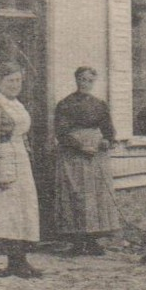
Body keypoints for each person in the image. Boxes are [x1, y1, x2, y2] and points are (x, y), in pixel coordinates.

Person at [0, 63, 42, 278]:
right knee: (9, 211)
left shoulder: (17, 105)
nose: (15, 85)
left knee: (24, 209)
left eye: (18, 81)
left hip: (20, 158)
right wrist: (2, 171)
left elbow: (22, 133)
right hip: (4, 160)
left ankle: (21, 259)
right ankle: (14, 261)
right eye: (10, 81)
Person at [53, 66, 121, 255]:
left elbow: (108, 129)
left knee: (95, 195)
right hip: (73, 155)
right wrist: (80, 146)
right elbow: (61, 132)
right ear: (76, 80)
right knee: (76, 194)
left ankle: (93, 241)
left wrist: (107, 141)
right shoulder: (65, 104)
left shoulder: (100, 104)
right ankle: (76, 240)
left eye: (90, 80)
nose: (86, 83)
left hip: (96, 155)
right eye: (82, 79)